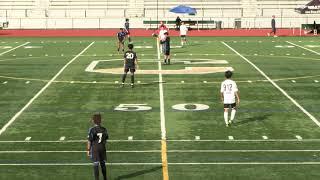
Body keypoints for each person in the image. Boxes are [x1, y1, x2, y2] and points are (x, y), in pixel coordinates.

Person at [87, 113, 109, 180]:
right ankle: (105, 178)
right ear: (100, 121)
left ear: (93, 121)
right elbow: (106, 139)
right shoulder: (104, 129)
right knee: (103, 164)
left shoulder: (92, 129)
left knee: (96, 164)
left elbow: (89, 140)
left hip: (95, 149)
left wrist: (88, 150)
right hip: (102, 147)